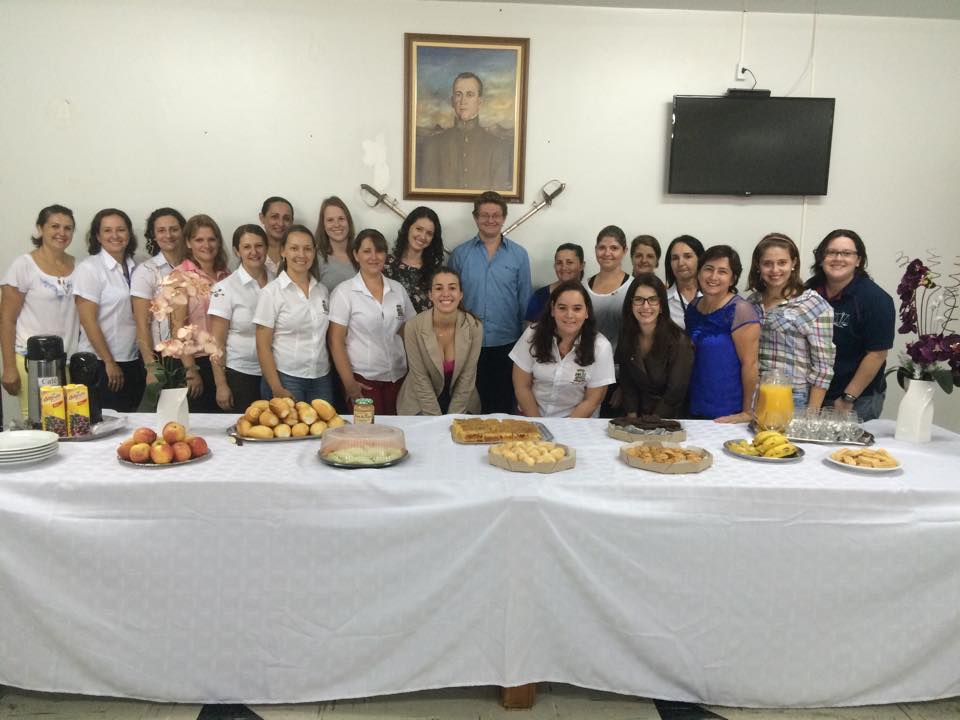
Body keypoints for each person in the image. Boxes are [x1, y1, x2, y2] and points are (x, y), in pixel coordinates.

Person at [450, 191, 532, 414]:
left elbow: (524, 302)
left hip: (507, 344)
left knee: (503, 408)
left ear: (504, 218)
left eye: (496, 215)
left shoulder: (519, 255)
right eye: (484, 215)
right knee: (469, 408)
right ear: (475, 218)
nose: (490, 220)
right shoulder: (460, 255)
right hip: (467, 344)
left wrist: (526, 346)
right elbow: (450, 302)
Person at [805, 229, 894, 421]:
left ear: (858, 260)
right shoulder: (809, 291)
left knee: (846, 451)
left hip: (855, 399)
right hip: (813, 394)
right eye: (831, 252)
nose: (838, 258)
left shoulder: (875, 299)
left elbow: (877, 354)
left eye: (846, 253)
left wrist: (848, 398)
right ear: (821, 258)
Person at [1, 204, 80, 420]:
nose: (61, 233)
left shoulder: (79, 266)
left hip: (67, 361)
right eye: (55, 226)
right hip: (31, 362)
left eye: (68, 228)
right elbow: (6, 320)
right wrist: (8, 367)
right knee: (38, 421)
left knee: (69, 422)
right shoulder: (23, 266)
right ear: (40, 229)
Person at [328, 229, 415, 415]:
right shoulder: (344, 292)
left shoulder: (397, 290)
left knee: (398, 433)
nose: (374, 257)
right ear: (356, 255)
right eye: (367, 251)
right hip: (363, 381)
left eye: (379, 251)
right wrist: (349, 383)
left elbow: (409, 331)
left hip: (398, 378)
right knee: (368, 437)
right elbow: (336, 341)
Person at [746, 233, 835, 411]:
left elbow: (823, 367)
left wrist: (812, 412)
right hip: (755, 394)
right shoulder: (751, 302)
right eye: (767, 263)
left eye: (782, 262)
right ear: (758, 266)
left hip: (793, 396)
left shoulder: (813, 304)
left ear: (793, 263)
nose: (775, 270)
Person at [510, 280, 615, 418]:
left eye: (577, 309)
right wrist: (539, 424)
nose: (569, 315)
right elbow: (521, 386)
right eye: (562, 308)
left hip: (577, 424)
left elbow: (593, 400)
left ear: (587, 312)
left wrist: (563, 429)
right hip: (533, 417)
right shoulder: (532, 334)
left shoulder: (601, 347)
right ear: (553, 310)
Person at [73, 208, 144, 412]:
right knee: (102, 427)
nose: (115, 235)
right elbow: (88, 321)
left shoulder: (136, 267)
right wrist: (109, 362)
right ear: (98, 236)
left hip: (130, 359)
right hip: (99, 363)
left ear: (129, 234)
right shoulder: (90, 269)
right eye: (107, 230)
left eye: (121, 229)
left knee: (128, 427)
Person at [253, 225, 333, 404]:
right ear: (283, 251)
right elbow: (262, 346)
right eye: (294, 248)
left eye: (307, 249)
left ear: (314, 252)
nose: (301, 255)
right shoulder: (271, 293)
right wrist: (276, 387)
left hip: (321, 378)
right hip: (285, 378)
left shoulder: (322, 291)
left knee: (325, 431)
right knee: (291, 432)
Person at [685, 245, 761, 422]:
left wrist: (747, 412)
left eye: (722, 272)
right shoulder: (693, 307)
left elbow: (750, 364)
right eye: (708, 269)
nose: (713, 277)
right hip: (693, 403)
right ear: (699, 272)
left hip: (727, 409)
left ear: (733, 279)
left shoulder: (741, 311)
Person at [397, 267, 483, 415]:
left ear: (461, 294)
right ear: (430, 294)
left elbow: (467, 377)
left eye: (452, 288)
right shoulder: (413, 326)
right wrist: (435, 420)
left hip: (462, 400)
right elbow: (420, 378)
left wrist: (453, 418)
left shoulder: (474, 326)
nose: (446, 294)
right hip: (420, 400)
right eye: (438, 288)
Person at [208, 225, 273, 411]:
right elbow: (216, 342)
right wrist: (221, 385)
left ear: (267, 248)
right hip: (241, 374)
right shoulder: (224, 288)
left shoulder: (279, 283)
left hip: (276, 374)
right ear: (237, 251)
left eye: (259, 246)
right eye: (246, 247)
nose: (254, 252)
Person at [171, 215, 231, 413]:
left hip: (225, 360)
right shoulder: (180, 276)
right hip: (198, 362)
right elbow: (177, 327)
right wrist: (190, 370)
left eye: (211, 239)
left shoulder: (226, 274)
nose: (206, 245)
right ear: (188, 243)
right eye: (199, 240)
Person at [418, 72, 512, 192]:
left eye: (470, 94)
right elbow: (429, 195)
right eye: (458, 94)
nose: (463, 101)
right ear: (453, 101)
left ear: (479, 102)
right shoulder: (432, 145)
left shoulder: (498, 147)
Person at [616, 274, 694, 418]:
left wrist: (651, 422)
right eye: (639, 300)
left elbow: (675, 392)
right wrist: (632, 417)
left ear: (662, 306)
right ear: (630, 304)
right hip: (635, 413)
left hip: (668, 417)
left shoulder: (679, 341)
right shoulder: (626, 333)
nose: (645, 306)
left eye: (652, 300)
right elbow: (627, 380)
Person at [130, 207, 186, 404]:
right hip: (161, 358)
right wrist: (150, 366)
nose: (168, 235)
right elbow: (141, 322)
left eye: (174, 229)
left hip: (191, 355)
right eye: (161, 230)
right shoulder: (146, 271)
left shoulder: (194, 265)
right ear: (153, 235)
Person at [385, 206, 446, 313]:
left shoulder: (436, 273)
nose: (423, 236)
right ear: (408, 228)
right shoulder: (385, 264)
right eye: (419, 229)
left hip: (425, 329)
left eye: (429, 233)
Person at [585, 225, 632, 353]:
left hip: (621, 365)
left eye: (614, 248)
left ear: (625, 250)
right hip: (586, 360)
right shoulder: (583, 286)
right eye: (602, 248)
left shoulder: (633, 287)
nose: (607, 253)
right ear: (595, 249)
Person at [525, 243, 585, 323]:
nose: (564, 267)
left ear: (582, 265)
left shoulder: (589, 294)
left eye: (569, 262)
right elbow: (530, 331)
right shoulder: (540, 296)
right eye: (559, 263)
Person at [315, 196, 357, 293]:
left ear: (348, 222)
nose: (337, 224)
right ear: (323, 225)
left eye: (341, 219)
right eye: (330, 220)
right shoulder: (315, 258)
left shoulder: (362, 254)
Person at [664, 235, 704, 329]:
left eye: (688, 256)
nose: (681, 263)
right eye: (675, 258)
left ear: (700, 259)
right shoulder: (663, 300)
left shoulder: (713, 296)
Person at [259, 196, 294, 276]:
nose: (281, 223)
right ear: (262, 218)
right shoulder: (253, 252)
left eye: (286, 218)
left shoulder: (298, 252)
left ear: (292, 222)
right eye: (274, 217)